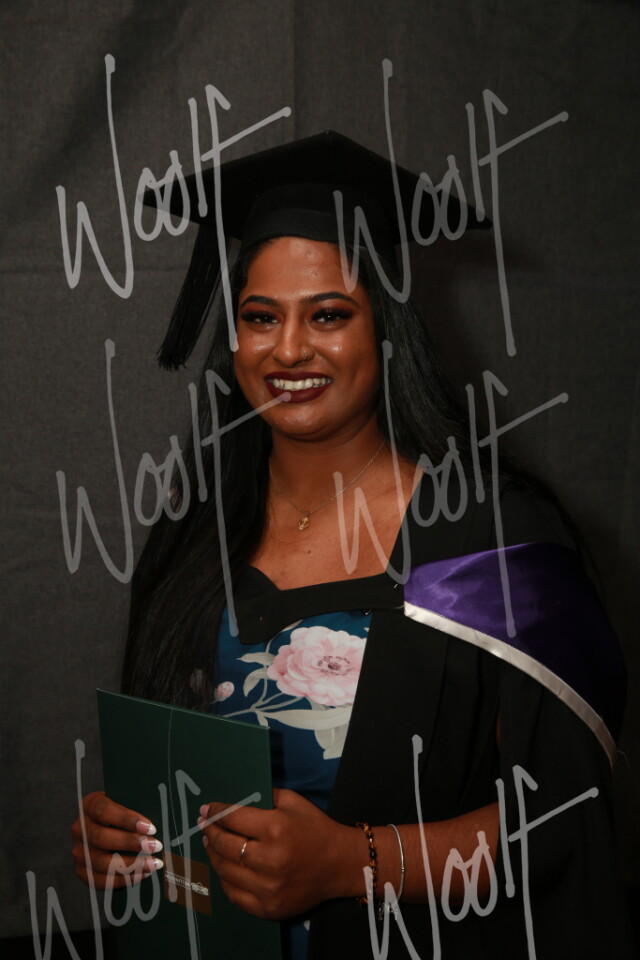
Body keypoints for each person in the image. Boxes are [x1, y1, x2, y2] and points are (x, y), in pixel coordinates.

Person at [71, 133, 634, 958]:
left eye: (328, 315)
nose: (288, 349)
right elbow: (174, 793)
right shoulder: (194, 534)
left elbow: (561, 820)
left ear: (388, 329)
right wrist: (124, 838)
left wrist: (349, 863)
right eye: (261, 317)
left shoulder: (486, 541)